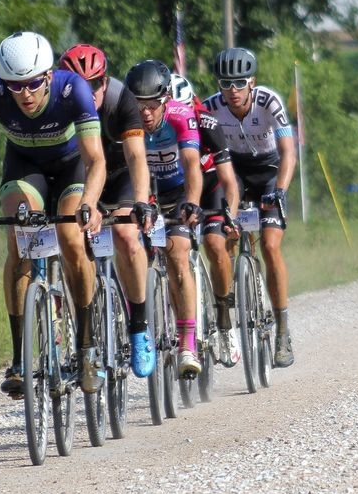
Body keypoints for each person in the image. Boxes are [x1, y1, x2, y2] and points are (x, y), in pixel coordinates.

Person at [0, 31, 106, 398]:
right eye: (14, 86)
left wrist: (89, 202)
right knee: (19, 237)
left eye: (32, 84)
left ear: (48, 75)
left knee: (72, 239)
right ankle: (20, 359)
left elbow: (95, 159)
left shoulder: (73, 89)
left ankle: (87, 347)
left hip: (71, 165)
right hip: (25, 166)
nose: (24, 94)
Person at [57, 43, 158, 379]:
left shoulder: (121, 99)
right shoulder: (58, 104)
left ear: (107, 80)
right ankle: (77, 333)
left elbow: (136, 158)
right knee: (71, 242)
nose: (92, 92)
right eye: (82, 86)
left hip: (120, 177)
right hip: (82, 181)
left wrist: (141, 202)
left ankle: (140, 326)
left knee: (127, 235)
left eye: (97, 83)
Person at [201, 47, 297, 367]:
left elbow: (288, 153)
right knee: (222, 236)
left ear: (252, 82)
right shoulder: (212, 107)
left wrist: (280, 192)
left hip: (269, 173)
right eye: (225, 83)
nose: (232, 91)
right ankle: (225, 316)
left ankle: (282, 331)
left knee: (270, 246)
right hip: (233, 174)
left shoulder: (269, 102)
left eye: (239, 83)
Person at [125, 60, 203, 377]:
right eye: (139, 105)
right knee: (129, 253)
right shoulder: (126, 123)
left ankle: (188, 345)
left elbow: (193, 167)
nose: (145, 113)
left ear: (165, 99)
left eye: (152, 105)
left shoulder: (182, 118)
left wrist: (193, 204)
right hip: (142, 195)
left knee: (178, 256)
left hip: (176, 194)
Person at [169, 73, 241, 366]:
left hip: (211, 186)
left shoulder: (208, 124)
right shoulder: (153, 125)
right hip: (176, 189)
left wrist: (230, 217)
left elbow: (230, 182)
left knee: (213, 242)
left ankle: (224, 320)